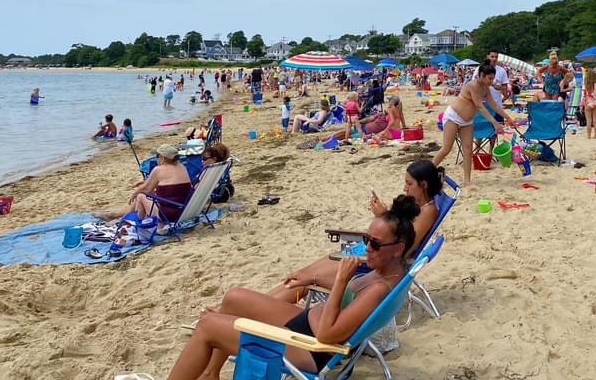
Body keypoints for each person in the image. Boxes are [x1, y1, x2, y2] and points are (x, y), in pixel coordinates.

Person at [167, 196, 419, 379]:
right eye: (366, 240)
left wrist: (341, 280)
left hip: (311, 349)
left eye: (374, 243)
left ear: (397, 248)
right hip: (307, 324)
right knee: (234, 298)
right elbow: (352, 299)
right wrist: (313, 280)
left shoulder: (379, 289)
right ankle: (210, 373)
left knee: (208, 326)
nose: (367, 248)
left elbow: (328, 337)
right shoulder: (389, 269)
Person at [267, 160, 443, 303]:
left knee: (306, 280)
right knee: (303, 272)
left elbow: (405, 247)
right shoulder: (416, 206)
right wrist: (385, 215)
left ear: (424, 185)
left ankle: (262, 310)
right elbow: (398, 231)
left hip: (370, 260)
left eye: (409, 184)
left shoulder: (428, 211)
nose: (405, 188)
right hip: (365, 250)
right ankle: (261, 301)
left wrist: (383, 215)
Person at [432, 64, 505, 186]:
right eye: (490, 78)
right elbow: (479, 106)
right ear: (482, 76)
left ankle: (467, 180)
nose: (492, 81)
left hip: (467, 121)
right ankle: (426, 171)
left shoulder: (486, 89)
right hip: (453, 116)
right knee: (446, 148)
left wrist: (508, 118)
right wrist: (495, 123)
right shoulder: (473, 85)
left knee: (468, 150)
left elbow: (495, 106)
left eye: (493, 78)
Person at [98, 144, 192, 225]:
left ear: (163, 157)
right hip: (184, 210)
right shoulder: (182, 167)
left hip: (169, 214)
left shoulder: (158, 170)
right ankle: (120, 218)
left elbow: (146, 190)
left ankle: (132, 222)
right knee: (144, 194)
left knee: (140, 196)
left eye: (157, 156)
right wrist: (144, 184)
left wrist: (135, 193)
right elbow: (168, 184)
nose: (157, 158)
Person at [581, 69, 596, 139]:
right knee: (595, 119)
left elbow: (583, 96)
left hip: (588, 103)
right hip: (595, 103)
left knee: (588, 120)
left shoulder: (585, 85)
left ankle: (589, 136)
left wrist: (581, 106)